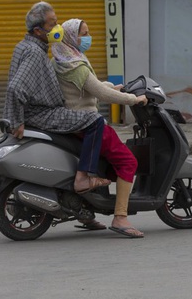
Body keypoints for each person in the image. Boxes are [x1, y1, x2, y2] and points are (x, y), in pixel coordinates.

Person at [51, 18, 148, 239]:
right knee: (128, 161)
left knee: (106, 165)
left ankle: (86, 213)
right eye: (83, 33)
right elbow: (100, 94)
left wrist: (113, 86)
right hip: (87, 122)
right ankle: (121, 217)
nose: (87, 37)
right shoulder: (74, 64)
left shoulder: (62, 57)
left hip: (74, 121)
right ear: (70, 36)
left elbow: (86, 87)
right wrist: (134, 99)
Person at [3, 2, 111, 196]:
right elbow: (15, 87)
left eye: (57, 21)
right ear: (38, 30)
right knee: (95, 121)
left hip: (38, 110)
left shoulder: (24, 45)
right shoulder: (35, 53)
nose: (57, 28)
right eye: (52, 24)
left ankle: (85, 213)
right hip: (42, 113)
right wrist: (17, 120)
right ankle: (82, 178)